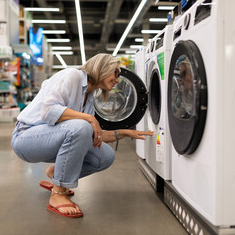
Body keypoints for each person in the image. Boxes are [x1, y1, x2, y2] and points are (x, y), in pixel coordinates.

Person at [11, 53, 154, 218]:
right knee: (81, 126)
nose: (117, 79)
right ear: (102, 67)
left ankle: (57, 173)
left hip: (50, 138)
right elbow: (48, 111)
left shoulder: (90, 97)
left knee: (105, 156)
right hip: (25, 138)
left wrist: (123, 133)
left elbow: (93, 136)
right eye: (116, 73)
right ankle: (58, 194)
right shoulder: (73, 76)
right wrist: (89, 118)